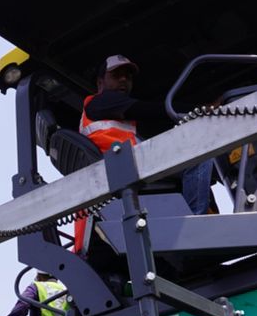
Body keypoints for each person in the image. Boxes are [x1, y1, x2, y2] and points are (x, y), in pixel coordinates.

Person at [78, 54, 213, 222]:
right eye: (116, 75)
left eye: (127, 76)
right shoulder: (102, 101)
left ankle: (208, 214)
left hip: (123, 166)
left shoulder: (109, 114)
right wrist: (201, 109)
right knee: (201, 151)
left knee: (198, 170)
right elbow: (148, 110)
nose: (123, 79)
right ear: (100, 83)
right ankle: (198, 220)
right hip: (124, 166)